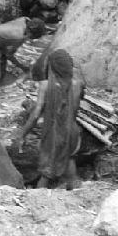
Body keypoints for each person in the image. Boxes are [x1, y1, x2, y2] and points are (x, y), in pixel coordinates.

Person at [12, 49, 85, 190]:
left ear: (52, 67)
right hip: (73, 131)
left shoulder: (45, 86)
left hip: (55, 135)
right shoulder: (78, 84)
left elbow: (36, 113)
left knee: (46, 171)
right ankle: (75, 190)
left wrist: (22, 134)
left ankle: (39, 197)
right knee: (69, 159)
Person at [0, 17, 46, 89]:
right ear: (30, 33)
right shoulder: (18, 37)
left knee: (2, 74)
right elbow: (9, 55)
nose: (30, 39)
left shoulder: (25, 19)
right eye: (32, 37)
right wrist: (22, 67)